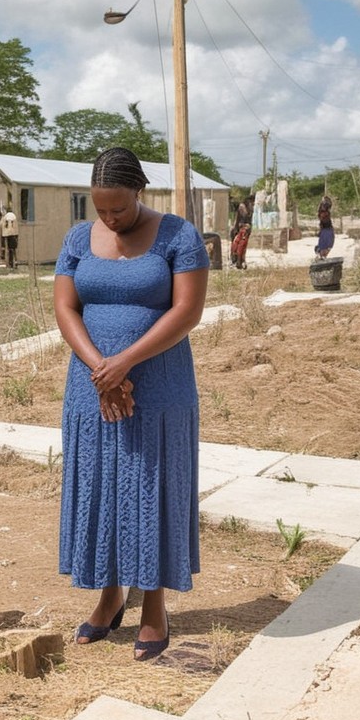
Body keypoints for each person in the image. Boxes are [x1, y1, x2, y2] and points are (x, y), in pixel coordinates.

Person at [53, 147, 208, 663]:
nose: (110, 218)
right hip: (90, 386)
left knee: (151, 488)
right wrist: (101, 367)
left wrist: (126, 363)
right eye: (100, 209)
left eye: (118, 208)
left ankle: (154, 607)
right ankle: (109, 595)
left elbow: (187, 311)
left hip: (159, 388)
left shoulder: (178, 236)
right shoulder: (78, 239)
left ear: (139, 191)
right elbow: (65, 305)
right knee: (103, 485)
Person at [231, 195, 254, 270]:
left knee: (242, 246)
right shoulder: (243, 207)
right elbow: (244, 217)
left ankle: (241, 261)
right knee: (239, 246)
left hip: (244, 228)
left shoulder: (248, 207)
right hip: (240, 228)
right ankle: (237, 261)